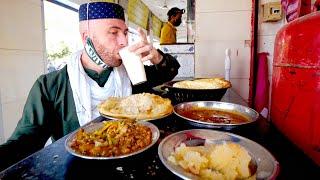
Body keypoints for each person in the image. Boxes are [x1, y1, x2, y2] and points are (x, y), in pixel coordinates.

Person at [0, 2, 180, 171]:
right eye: (114, 32)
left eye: (125, 33)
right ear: (87, 38)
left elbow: (169, 71)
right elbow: (24, 144)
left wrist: (157, 57)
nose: (124, 41)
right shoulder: (51, 87)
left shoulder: (132, 74)